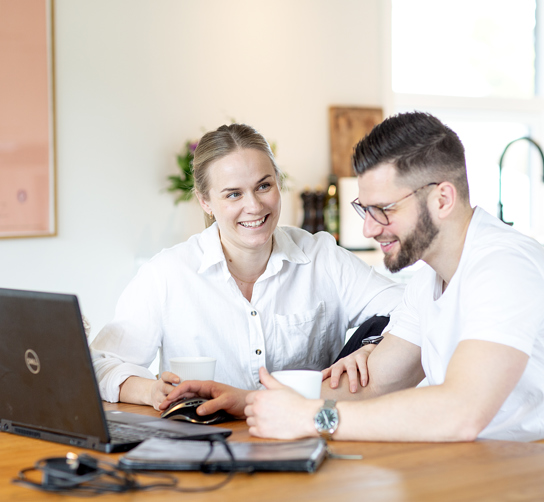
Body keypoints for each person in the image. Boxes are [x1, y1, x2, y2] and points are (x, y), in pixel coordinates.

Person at [245, 112, 544, 442]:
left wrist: (314, 418)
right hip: (475, 461)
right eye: (365, 209)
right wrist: (249, 400)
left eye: (384, 209)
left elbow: (462, 411)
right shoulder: (428, 279)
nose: (369, 229)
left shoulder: (505, 267)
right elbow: (376, 383)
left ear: (443, 199)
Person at [90, 123, 403, 413]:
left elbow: (412, 307)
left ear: (278, 183)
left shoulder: (322, 258)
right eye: (233, 194)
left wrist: (372, 346)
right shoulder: (167, 274)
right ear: (205, 201)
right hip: (204, 443)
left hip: (302, 437)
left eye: (263, 186)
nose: (254, 206)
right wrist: (150, 391)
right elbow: (101, 363)